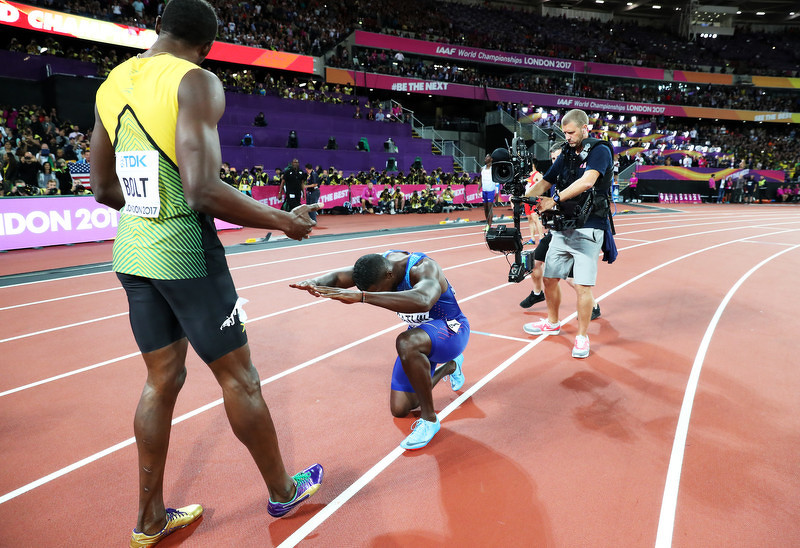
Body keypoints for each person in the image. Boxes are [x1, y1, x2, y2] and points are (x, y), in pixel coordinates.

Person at [89, 2, 323, 546]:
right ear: (209, 45)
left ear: (159, 30)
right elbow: (201, 190)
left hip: (133, 253)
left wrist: (151, 212)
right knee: (240, 378)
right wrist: (281, 220)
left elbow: (102, 190)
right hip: (187, 254)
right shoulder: (195, 81)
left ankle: (149, 521)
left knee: (160, 381)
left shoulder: (112, 82)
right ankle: (284, 491)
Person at [290, 250, 469, 450]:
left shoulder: (423, 268)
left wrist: (364, 297)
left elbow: (423, 300)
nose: (377, 294)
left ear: (389, 275)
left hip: (452, 330)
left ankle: (430, 420)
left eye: (378, 290)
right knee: (400, 408)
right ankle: (451, 367)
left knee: (405, 342)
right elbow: (340, 277)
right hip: (423, 335)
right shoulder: (379, 266)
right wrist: (314, 282)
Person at [522, 109, 614, 359]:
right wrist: (525, 195)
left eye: (572, 132)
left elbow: (587, 182)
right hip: (564, 226)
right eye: (565, 132)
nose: (568, 136)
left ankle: (582, 337)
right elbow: (547, 181)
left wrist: (553, 199)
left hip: (589, 227)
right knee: (550, 278)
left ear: (586, 128)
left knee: (583, 286)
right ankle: (552, 322)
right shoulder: (566, 153)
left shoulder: (600, 151)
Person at [480, 153, 495, 232]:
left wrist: (496, 191)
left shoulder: (493, 169)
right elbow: (481, 179)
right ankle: (487, 224)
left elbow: (496, 181)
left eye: (487, 157)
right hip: (484, 190)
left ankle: (490, 224)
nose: (485, 158)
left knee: (490, 207)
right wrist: (479, 188)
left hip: (491, 190)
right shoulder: (482, 168)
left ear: (491, 159)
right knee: (485, 208)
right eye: (485, 157)